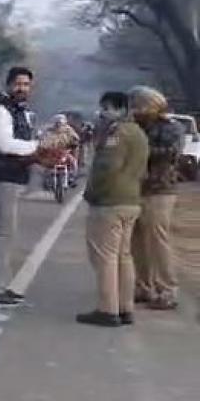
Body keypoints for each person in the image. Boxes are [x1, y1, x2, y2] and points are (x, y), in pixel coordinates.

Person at [78, 91, 149, 327]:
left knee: (105, 257)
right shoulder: (138, 132)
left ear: (119, 109)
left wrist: (92, 192)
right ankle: (125, 307)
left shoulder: (117, 134)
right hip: (131, 199)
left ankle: (107, 309)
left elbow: (106, 167)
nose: (103, 113)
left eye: (106, 108)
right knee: (124, 256)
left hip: (110, 201)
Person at [0, 67, 41, 309]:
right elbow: (5, 145)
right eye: (18, 83)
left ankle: (1, 286)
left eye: (26, 84)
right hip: (0, 176)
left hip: (11, 177)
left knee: (7, 234)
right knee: (3, 234)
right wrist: (39, 147)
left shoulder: (19, 111)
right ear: (8, 84)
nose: (22, 88)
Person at [129, 86, 183, 311]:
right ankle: (143, 286)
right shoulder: (135, 126)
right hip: (136, 188)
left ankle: (167, 289)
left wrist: (139, 148)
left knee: (157, 240)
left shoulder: (170, 127)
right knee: (136, 240)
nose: (134, 110)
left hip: (160, 190)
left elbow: (169, 153)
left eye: (137, 105)